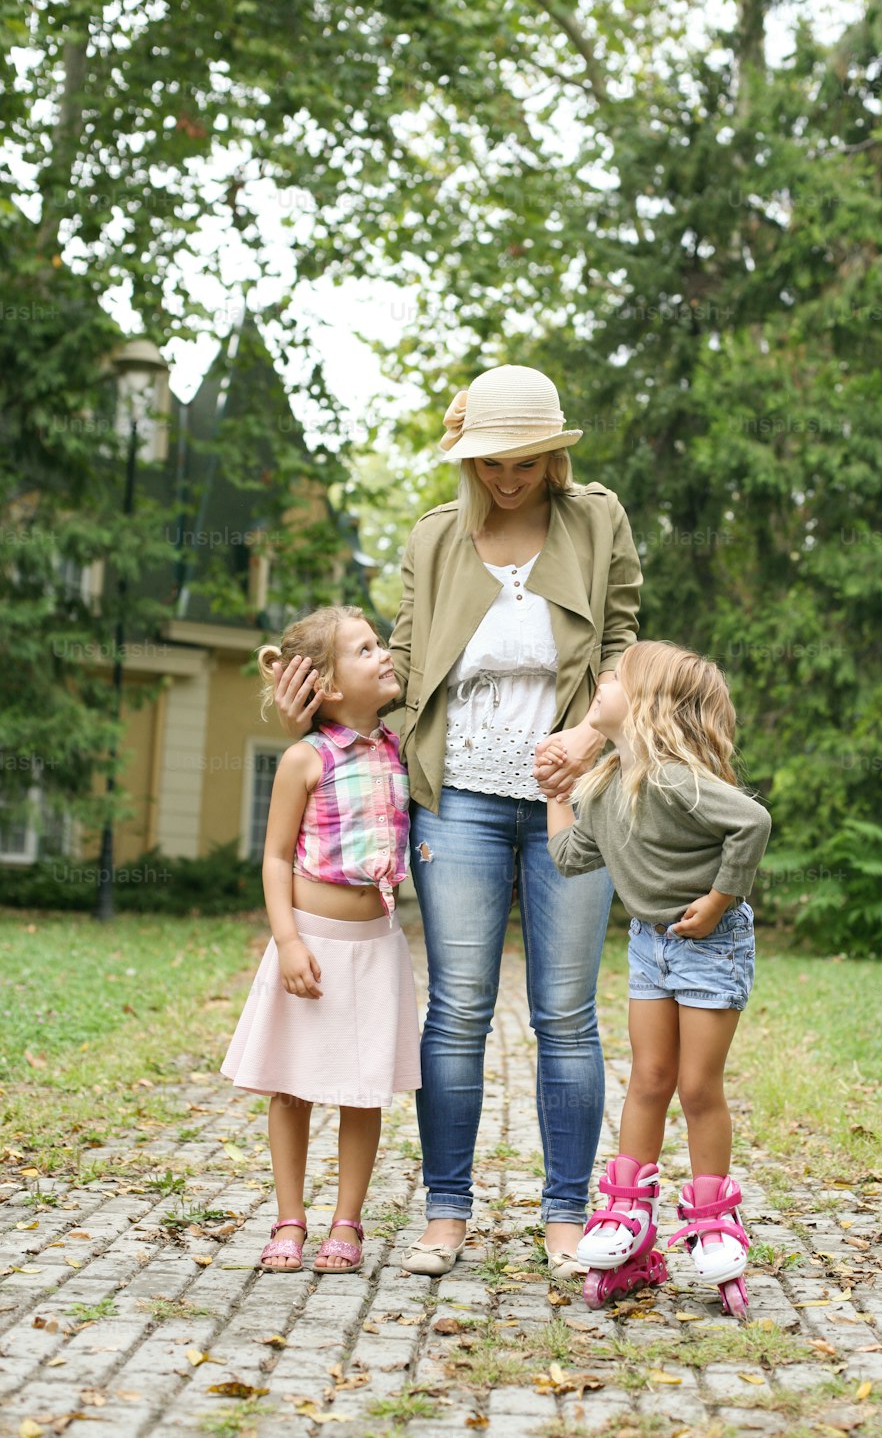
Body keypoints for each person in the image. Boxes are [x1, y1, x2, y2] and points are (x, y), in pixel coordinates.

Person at [272, 364, 641, 1277]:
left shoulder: (597, 521)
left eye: (522, 462)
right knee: (458, 1009)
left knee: (566, 1014)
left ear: (553, 455)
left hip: (570, 800)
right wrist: (315, 723)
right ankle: (446, 1213)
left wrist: (592, 745)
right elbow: (391, 672)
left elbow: (625, 656)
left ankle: (565, 1216)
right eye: (488, 464)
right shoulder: (437, 538)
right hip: (459, 797)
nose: (505, 479)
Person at [545, 640, 771, 1316]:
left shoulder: (674, 778)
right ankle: (625, 1219)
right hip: (652, 946)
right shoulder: (610, 784)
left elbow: (752, 823)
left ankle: (711, 1220)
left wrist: (722, 899)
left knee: (698, 1087)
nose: (598, 682)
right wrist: (559, 793)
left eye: (611, 677)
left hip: (710, 945)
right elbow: (568, 856)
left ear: (644, 705)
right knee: (647, 1079)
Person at [221, 605, 421, 1274]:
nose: (383, 653)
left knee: (364, 1089)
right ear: (329, 687)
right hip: (312, 942)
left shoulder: (401, 747)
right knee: (293, 1084)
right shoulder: (304, 759)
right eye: (366, 649)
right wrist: (287, 942)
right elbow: (276, 857)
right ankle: (289, 1217)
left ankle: (347, 1220)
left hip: (376, 945)